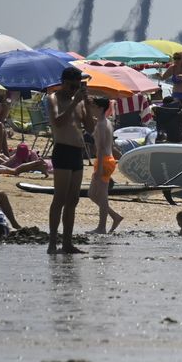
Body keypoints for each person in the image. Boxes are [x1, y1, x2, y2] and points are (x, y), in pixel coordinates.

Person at [46, 67, 90, 255]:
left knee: (73, 200)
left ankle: (67, 243)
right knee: (60, 198)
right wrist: (74, 103)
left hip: (77, 152)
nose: (74, 90)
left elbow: (90, 127)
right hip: (62, 150)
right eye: (72, 86)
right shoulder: (53, 99)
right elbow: (57, 122)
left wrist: (86, 103)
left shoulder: (79, 100)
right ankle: (52, 243)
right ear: (63, 83)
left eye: (77, 86)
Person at [87, 96, 124, 235]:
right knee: (92, 194)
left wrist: (100, 169)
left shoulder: (103, 124)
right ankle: (115, 216)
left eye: (94, 106)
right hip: (104, 160)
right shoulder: (104, 122)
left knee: (102, 196)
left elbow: (102, 147)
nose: (91, 109)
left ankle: (101, 227)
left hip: (104, 161)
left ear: (101, 108)